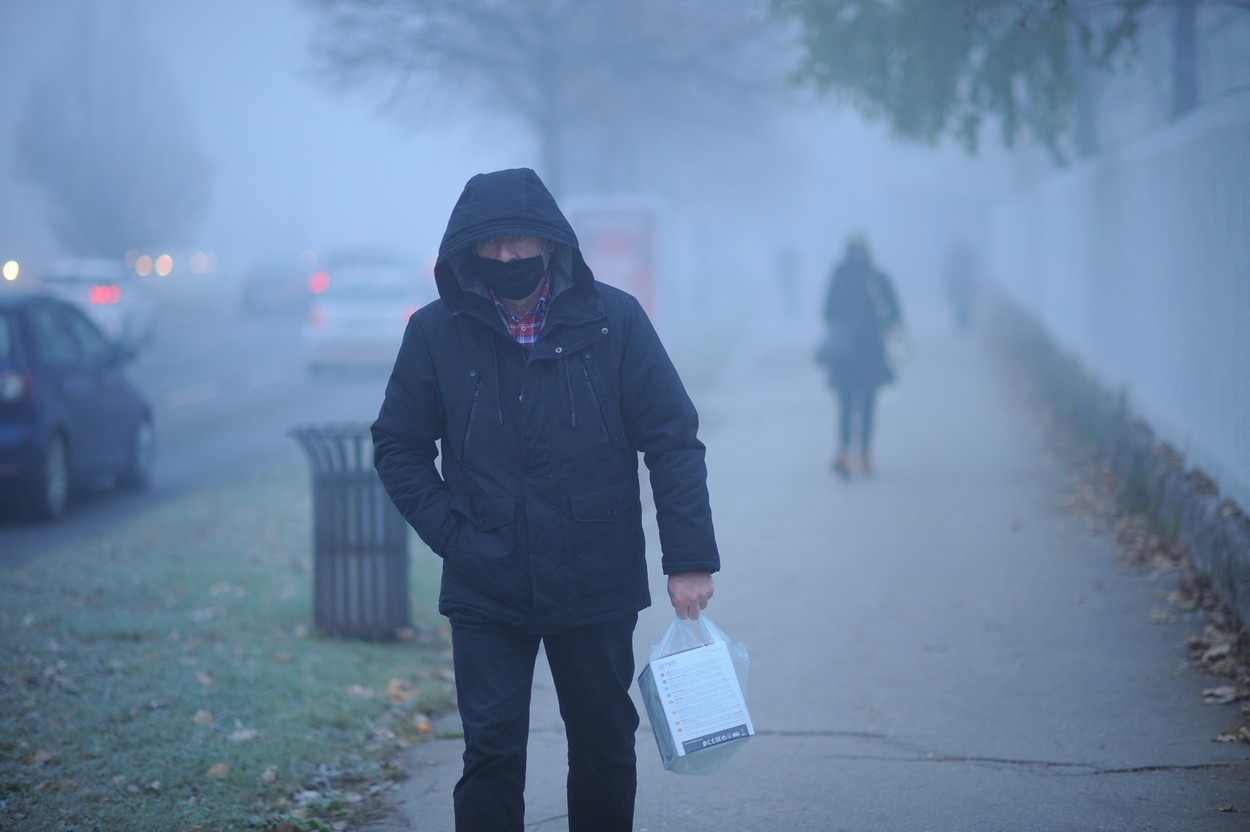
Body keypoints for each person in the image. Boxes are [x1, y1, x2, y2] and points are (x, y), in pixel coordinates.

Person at [370, 167, 719, 832]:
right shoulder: (436, 333)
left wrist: (690, 558)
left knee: (603, 744)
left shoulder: (614, 321)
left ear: (553, 244)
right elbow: (397, 446)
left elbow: (673, 439)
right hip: (486, 581)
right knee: (492, 753)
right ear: (468, 252)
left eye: (521, 242)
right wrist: (456, 535)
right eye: (492, 245)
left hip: (595, 573)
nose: (508, 257)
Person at [815, 234, 903, 479]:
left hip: (846, 353)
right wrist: (875, 325)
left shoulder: (840, 276)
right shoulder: (877, 278)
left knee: (846, 405)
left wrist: (846, 325)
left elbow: (827, 312)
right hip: (870, 352)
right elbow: (895, 314)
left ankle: (845, 452)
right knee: (866, 404)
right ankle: (863, 455)